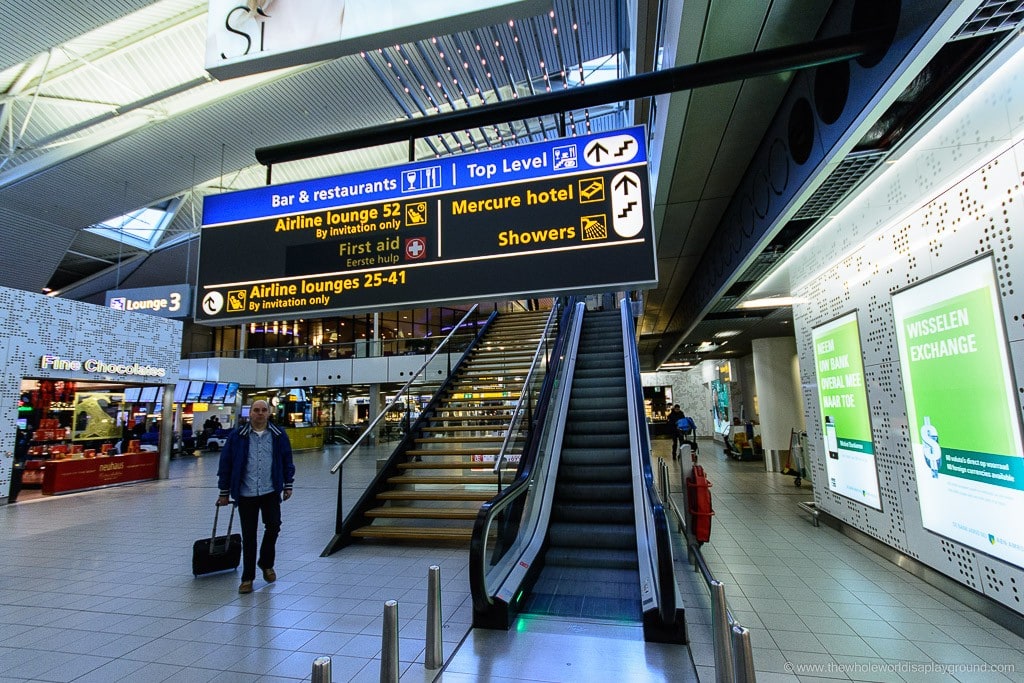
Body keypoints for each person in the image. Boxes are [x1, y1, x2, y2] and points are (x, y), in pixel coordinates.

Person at [217, 400, 294, 594]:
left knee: (274, 526)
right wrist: (224, 492)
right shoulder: (237, 436)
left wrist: (288, 484)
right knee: (249, 536)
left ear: (269, 413)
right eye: (256, 410)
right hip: (246, 493)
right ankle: (247, 578)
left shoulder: (278, 435)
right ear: (249, 413)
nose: (260, 414)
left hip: (270, 490)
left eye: (263, 410)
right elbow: (226, 464)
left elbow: (286, 459)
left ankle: (266, 562)